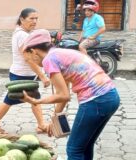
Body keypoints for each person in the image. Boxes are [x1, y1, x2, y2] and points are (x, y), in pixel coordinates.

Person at [21, 29, 120, 160]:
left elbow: (64, 96)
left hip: (96, 101)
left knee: (74, 149)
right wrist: (54, 119)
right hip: (110, 97)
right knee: (85, 145)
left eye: (29, 59)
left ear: (33, 51)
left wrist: (36, 101)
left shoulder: (49, 60)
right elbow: (64, 93)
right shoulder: (60, 53)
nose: (32, 62)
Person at [0, 8, 50, 134]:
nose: (35, 21)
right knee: (10, 100)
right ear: (22, 19)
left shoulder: (23, 33)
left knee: (35, 98)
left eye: (36, 18)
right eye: (31, 18)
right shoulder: (22, 35)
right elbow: (28, 59)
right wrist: (42, 75)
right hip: (21, 75)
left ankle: (41, 125)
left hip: (24, 74)